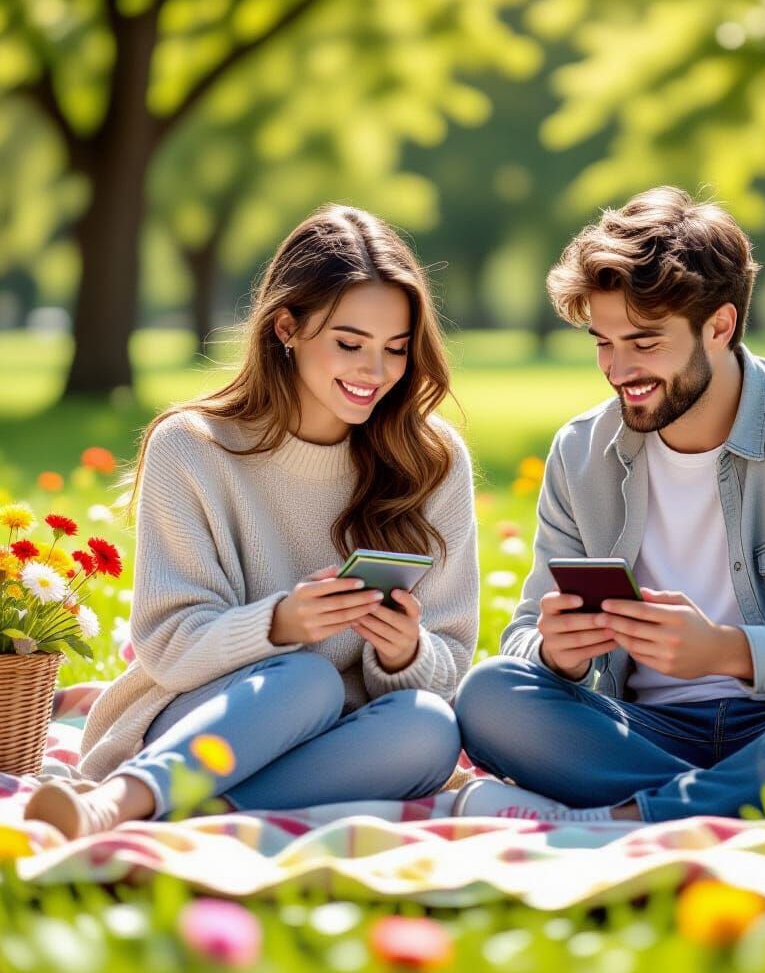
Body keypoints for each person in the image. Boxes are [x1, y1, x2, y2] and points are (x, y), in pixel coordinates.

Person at [453, 186, 765, 833]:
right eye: (603, 343)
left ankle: (625, 818)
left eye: (644, 343)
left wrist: (733, 653)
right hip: (646, 735)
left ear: (719, 326)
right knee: (490, 692)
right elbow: (526, 636)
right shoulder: (580, 454)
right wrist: (558, 654)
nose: (618, 370)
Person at [26, 204, 479, 840]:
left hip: (345, 738)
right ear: (287, 327)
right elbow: (169, 646)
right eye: (349, 344)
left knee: (429, 727)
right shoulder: (192, 446)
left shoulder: (432, 460)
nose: (374, 373)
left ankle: (186, 814)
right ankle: (120, 799)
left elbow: (450, 659)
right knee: (310, 679)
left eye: (395, 349)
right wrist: (280, 624)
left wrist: (405, 651)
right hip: (201, 720)